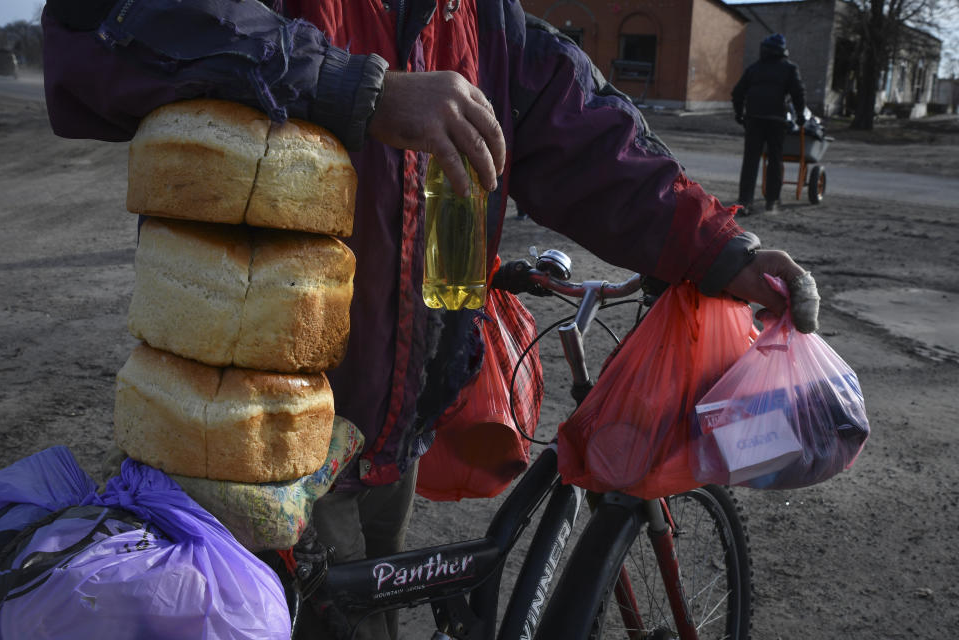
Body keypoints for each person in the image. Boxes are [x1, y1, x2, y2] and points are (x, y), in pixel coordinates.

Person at [41, 2, 820, 637]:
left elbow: (590, 145)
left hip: (391, 428)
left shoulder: (484, 19)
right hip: (257, 436)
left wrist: (723, 250)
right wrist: (360, 91)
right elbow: (109, 22)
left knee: (378, 594)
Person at [732, 32, 807, 215]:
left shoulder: (754, 68)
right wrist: (800, 115)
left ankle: (745, 202)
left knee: (750, 161)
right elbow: (798, 93)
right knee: (775, 160)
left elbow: (737, 92)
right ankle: (772, 201)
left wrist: (739, 114)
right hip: (776, 120)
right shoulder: (789, 68)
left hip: (754, 118)